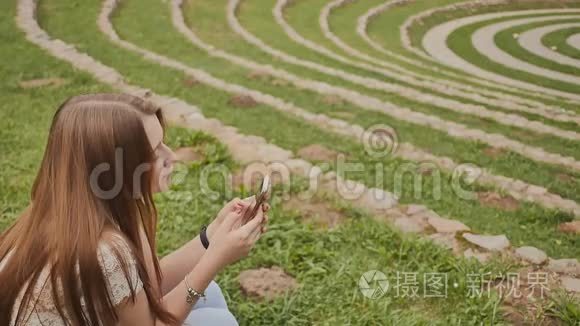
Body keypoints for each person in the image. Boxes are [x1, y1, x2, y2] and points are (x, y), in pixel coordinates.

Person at [0, 93, 268, 325]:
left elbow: (145, 288)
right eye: (155, 152)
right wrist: (217, 258)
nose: (171, 156)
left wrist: (212, 237)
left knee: (211, 294)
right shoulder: (103, 249)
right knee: (216, 321)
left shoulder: (86, 211)